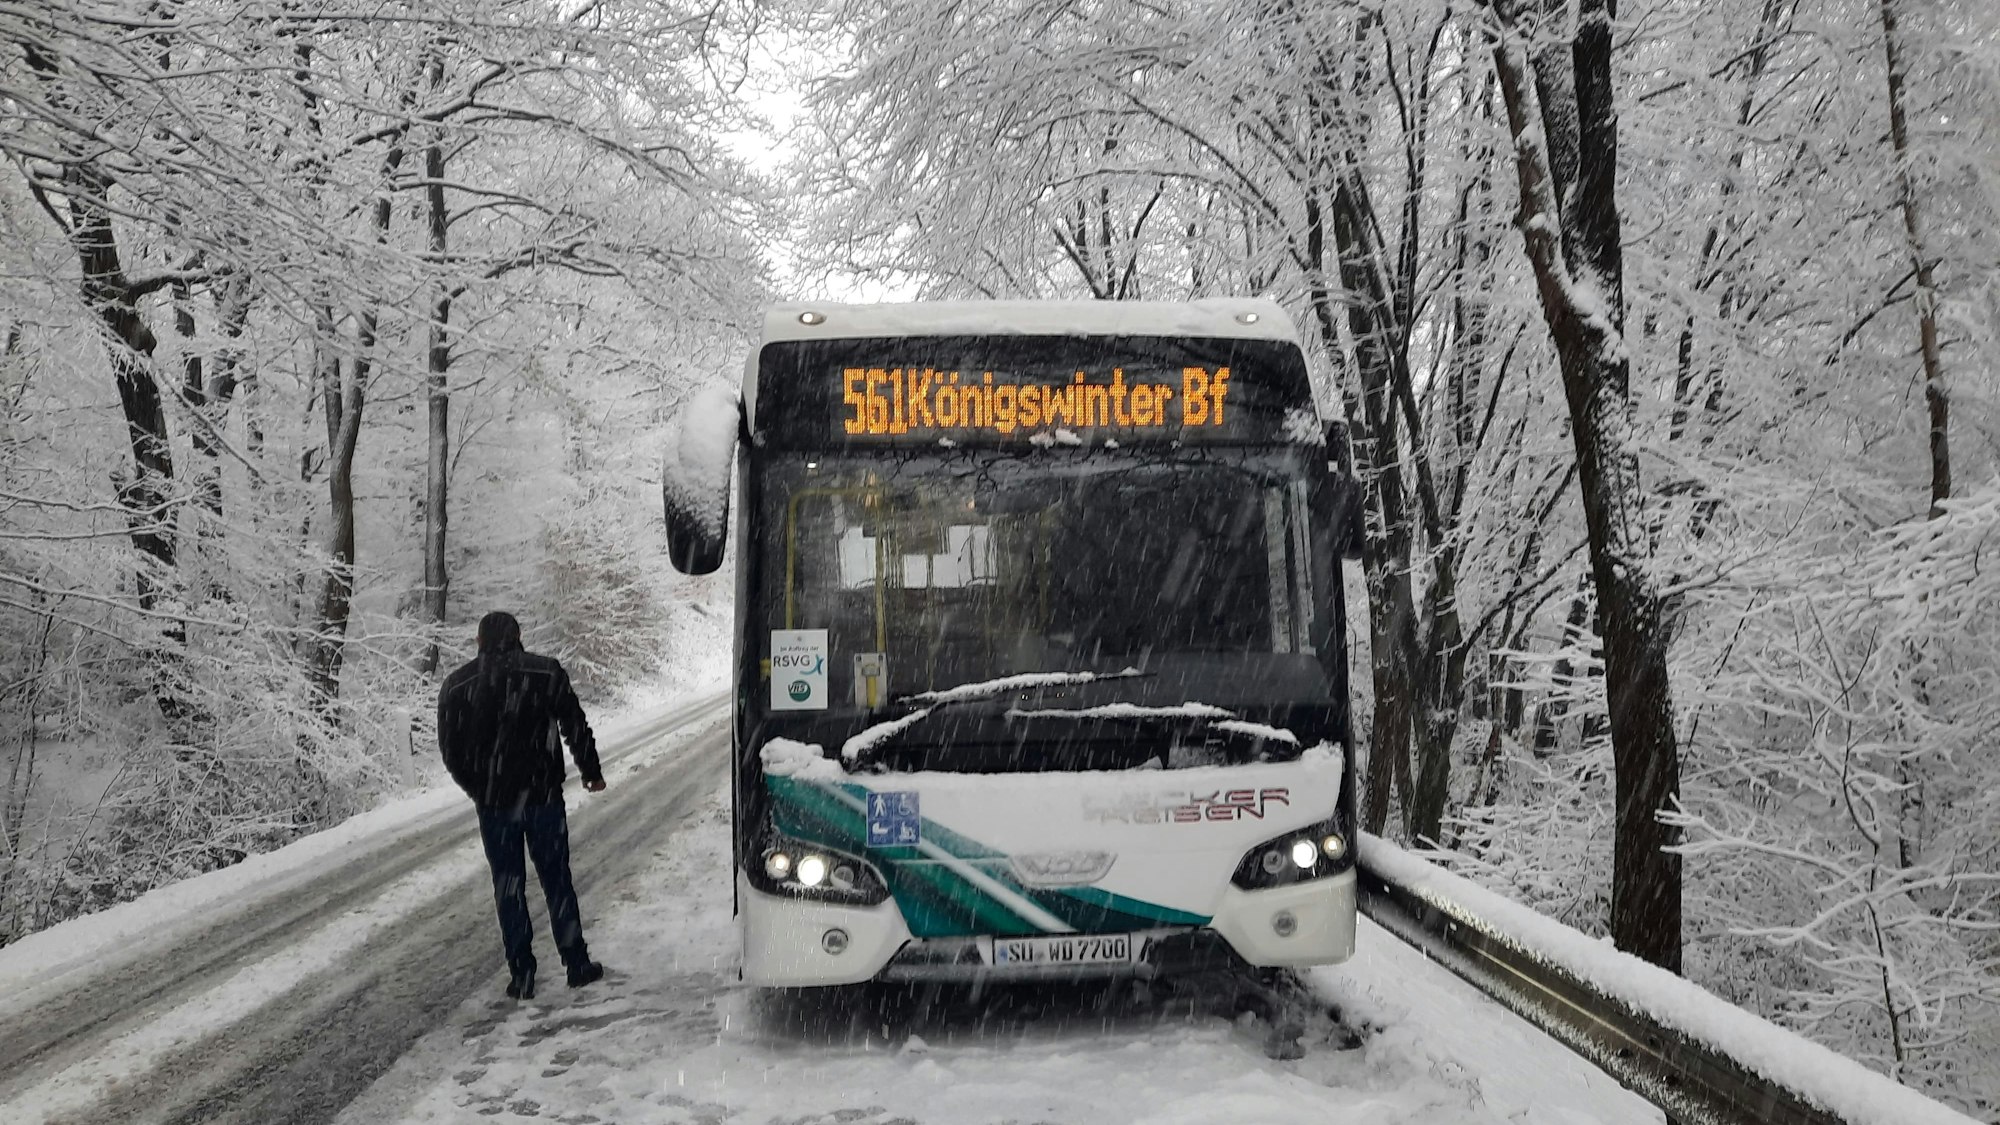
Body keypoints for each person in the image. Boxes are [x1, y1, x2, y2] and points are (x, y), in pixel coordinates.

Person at [438, 610, 608, 1000]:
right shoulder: (545, 673)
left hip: (495, 806)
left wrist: (480, 787)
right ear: (518, 637)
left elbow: (451, 752)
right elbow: (575, 725)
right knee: (556, 880)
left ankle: (523, 973)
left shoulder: (457, 685)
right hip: (543, 796)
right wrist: (590, 770)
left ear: (479, 641)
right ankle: (576, 964)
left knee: (508, 885)